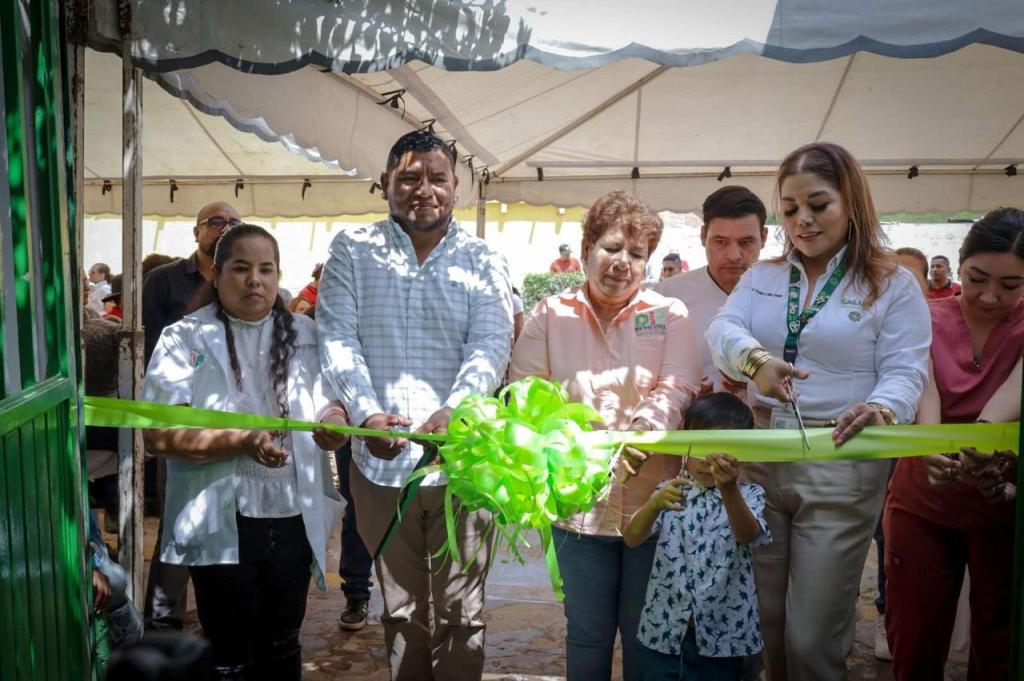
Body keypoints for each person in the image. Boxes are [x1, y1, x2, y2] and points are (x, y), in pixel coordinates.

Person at [706, 142, 931, 681]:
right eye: (789, 209)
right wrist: (755, 361)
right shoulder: (763, 276)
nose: (802, 220)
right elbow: (722, 329)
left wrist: (881, 406)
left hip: (842, 457)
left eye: (818, 205)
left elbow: (906, 369)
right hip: (760, 456)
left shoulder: (891, 282)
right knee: (765, 621)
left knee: (812, 636)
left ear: (851, 202)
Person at [317, 130, 513, 680]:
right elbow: (337, 338)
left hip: (464, 462)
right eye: (408, 177)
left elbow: (492, 343)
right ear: (385, 186)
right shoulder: (352, 250)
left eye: (436, 177)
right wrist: (364, 415)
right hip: (379, 465)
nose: (422, 188)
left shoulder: (483, 259)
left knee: (463, 615)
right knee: (399, 611)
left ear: (457, 188)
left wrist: (459, 410)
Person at [141, 223, 347, 679]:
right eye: (240, 268)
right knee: (229, 650)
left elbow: (329, 401)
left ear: (278, 277)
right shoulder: (184, 338)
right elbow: (157, 436)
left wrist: (334, 424)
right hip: (222, 518)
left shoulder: (305, 333)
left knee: (283, 641)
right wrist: (240, 442)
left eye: (265, 269)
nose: (254, 280)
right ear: (216, 275)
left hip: (292, 514)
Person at [510, 189, 701, 681]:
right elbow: (526, 393)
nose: (623, 263)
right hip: (578, 508)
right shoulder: (550, 315)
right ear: (588, 245)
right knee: (588, 633)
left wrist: (645, 429)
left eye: (637, 255)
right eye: (613, 248)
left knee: (647, 636)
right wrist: (570, 446)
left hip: (656, 506)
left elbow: (679, 383)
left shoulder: (670, 314)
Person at [884, 207, 1024, 680]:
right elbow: (921, 383)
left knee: (1000, 637)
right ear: (960, 264)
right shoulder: (923, 315)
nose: (988, 297)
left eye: (1011, 286)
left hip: (1002, 502)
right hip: (923, 497)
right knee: (916, 634)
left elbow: (1013, 391)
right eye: (977, 278)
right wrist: (929, 444)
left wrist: (984, 441)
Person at [141, 200, 241, 631]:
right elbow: (148, 349)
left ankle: (221, 614)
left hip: (234, 419)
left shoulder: (241, 277)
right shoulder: (162, 280)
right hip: (180, 418)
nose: (224, 228)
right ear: (196, 231)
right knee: (179, 516)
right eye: (215, 222)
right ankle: (165, 618)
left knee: (228, 515)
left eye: (233, 222)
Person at [625, 393, 770, 681]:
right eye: (700, 449)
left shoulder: (750, 495)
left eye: (721, 451)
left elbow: (747, 534)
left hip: (723, 637)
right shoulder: (671, 490)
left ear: (745, 452)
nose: (707, 461)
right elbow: (632, 538)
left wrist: (728, 488)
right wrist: (652, 505)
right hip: (664, 633)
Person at [657, 186, 768, 395]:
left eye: (746, 242)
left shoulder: (788, 293)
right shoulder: (667, 297)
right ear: (702, 236)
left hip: (771, 425)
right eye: (721, 242)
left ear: (764, 237)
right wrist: (681, 388)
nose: (734, 255)